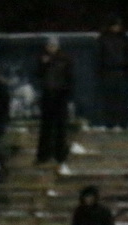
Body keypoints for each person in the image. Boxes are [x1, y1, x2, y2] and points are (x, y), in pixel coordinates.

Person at [36, 37, 75, 169]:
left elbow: (70, 78)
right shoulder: (42, 58)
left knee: (60, 127)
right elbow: (38, 74)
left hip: (60, 95)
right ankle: (43, 155)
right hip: (48, 95)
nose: (51, 48)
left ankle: (60, 155)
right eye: (49, 46)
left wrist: (67, 93)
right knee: (46, 127)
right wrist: (43, 64)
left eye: (53, 46)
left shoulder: (65, 59)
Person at [97, 19, 128, 129]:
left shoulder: (123, 39)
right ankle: (110, 123)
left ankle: (122, 122)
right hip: (109, 71)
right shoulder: (104, 39)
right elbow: (100, 57)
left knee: (122, 99)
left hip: (120, 71)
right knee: (110, 99)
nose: (117, 28)